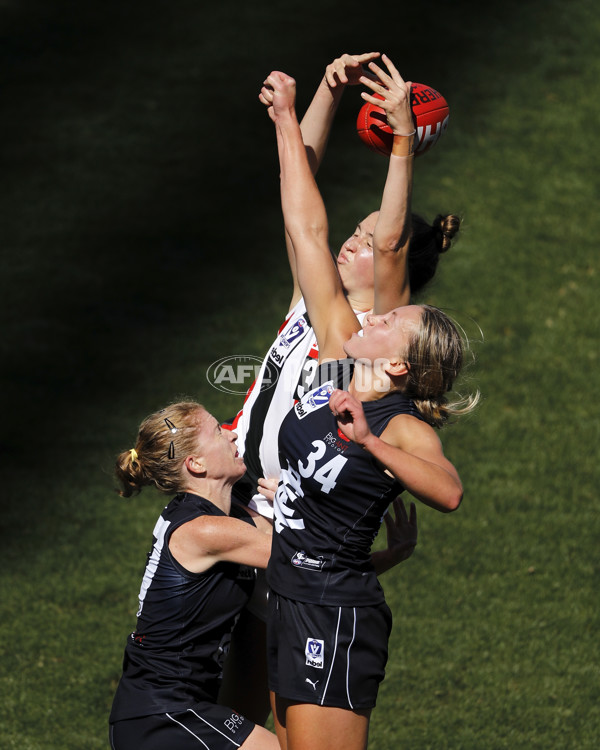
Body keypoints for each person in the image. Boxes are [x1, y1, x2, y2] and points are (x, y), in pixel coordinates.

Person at [259, 57, 478, 750]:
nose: (376, 315)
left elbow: (449, 493)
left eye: (391, 323)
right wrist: (290, 120)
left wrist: (372, 443)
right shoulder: (337, 361)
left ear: (399, 364)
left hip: (333, 616)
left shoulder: (399, 424)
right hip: (287, 598)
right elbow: (306, 228)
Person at [108, 402, 279, 750]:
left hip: (166, 709)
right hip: (165, 715)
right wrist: (299, 507)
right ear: (195, 464)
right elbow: (309, 558)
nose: (233, 433)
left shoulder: (216, 520)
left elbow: (318, 570)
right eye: (218, 431)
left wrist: (388, 556)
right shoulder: (205, 531)